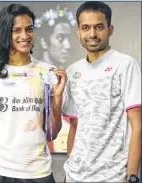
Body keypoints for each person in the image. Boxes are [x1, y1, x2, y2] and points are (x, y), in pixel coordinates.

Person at [0, 4, 67, 183]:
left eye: (29, 29)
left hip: (37, 172)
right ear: (5, 33)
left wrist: (58, 99)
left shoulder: (47, 72)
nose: (25, 36)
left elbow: (52, 134)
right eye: (17, 30)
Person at [63, 1, 141, 182]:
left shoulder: (125, 64)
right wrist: (70, 165)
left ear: (110, 29)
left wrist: (132, 175)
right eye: (86, 27)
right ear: (78, 32)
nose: (92, 34)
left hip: (113, 175)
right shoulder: (73, 71)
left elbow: (138, 126)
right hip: (75, 176)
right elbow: (74, 126)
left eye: (99, 27)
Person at [33, 6, 77, 153]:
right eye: (60, 38)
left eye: (69, 39)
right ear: (44, 41)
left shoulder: (72, 74)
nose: (68, 46)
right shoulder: (30, 75)